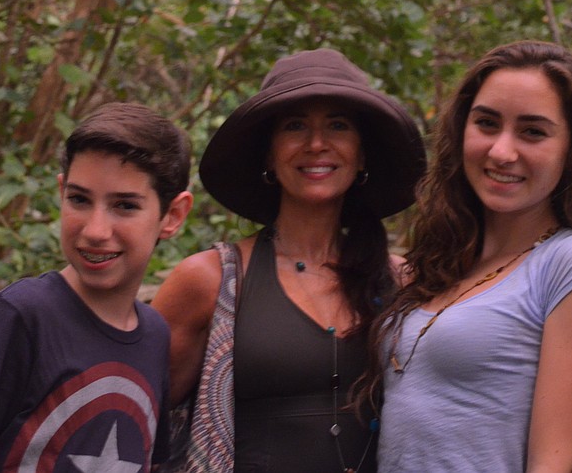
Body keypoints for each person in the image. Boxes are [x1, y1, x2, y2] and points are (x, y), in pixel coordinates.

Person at [356, 40, 572, 472]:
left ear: (571, 149)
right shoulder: (450, 260)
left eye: (532, 131)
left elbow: (553, 466)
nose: (502, 152)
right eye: (487, 123)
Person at [151, 48, 426, 473]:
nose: (316, 144)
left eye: (338, 125)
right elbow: (133, 417)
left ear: (362, 154)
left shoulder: (402, 281)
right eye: (295, 126)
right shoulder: (211, 280)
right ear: (268, 154)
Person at [0, 103, 194, 472]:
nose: (95, 231)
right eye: (79, 199)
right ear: (61, 192)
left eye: (125, 206)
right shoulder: (20, 316)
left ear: (172, 216)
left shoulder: (155, 335)